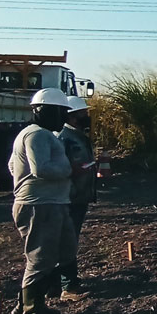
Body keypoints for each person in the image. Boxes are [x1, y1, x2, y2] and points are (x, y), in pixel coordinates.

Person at [8, 88, 77, 314]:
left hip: (47, 203)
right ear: (44, 111)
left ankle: (24, 306)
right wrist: (70, 169)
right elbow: (41, 169)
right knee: (40, 259)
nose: (63, 118)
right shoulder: (37, 135)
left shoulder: (32, 134)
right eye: (60, 112)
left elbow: (12, 165)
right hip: (40, 205)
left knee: (58, 253)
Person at [55, 95, 96, 300]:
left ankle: (57, 284)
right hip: (70, 197)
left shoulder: (78, 135)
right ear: (72, 117)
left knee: (68, 240)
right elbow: (60, 168)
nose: (86, 117)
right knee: (67, 242)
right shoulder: (64, 138)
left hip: (79, 196)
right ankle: (67, 285)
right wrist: (75, 171)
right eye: (83, 114)